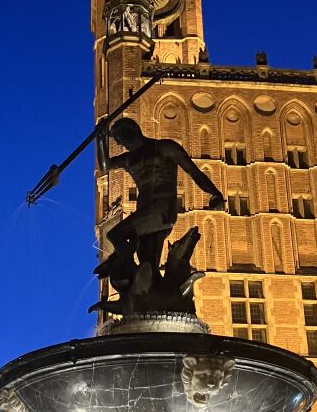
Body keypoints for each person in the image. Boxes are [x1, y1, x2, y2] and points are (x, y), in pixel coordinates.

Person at [95, 118, 224, 287]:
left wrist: (215, 194)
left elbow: (194, 172)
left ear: (131, 132)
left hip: (161, 210)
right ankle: (157, 293)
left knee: (115, 235)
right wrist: (101, 138)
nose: (122, 146)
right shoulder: (129, 159)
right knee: (149, 264)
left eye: (122, 141)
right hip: (145, 212)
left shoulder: (164, 147)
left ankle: (134, 274)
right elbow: (105, 166)